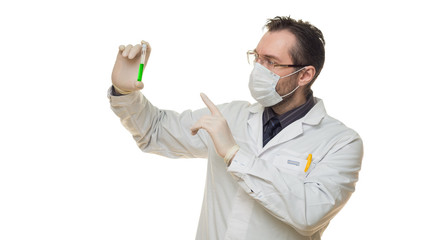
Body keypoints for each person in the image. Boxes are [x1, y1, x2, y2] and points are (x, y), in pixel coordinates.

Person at [108, 16, 363, 240]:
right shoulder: (230, 116)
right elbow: (155, 132)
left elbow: (309, 214)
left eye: (271, 62)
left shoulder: (340, 142)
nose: (258, 70)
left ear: (305, 75)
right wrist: (125, 92)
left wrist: (234, 154)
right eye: (257, 57)